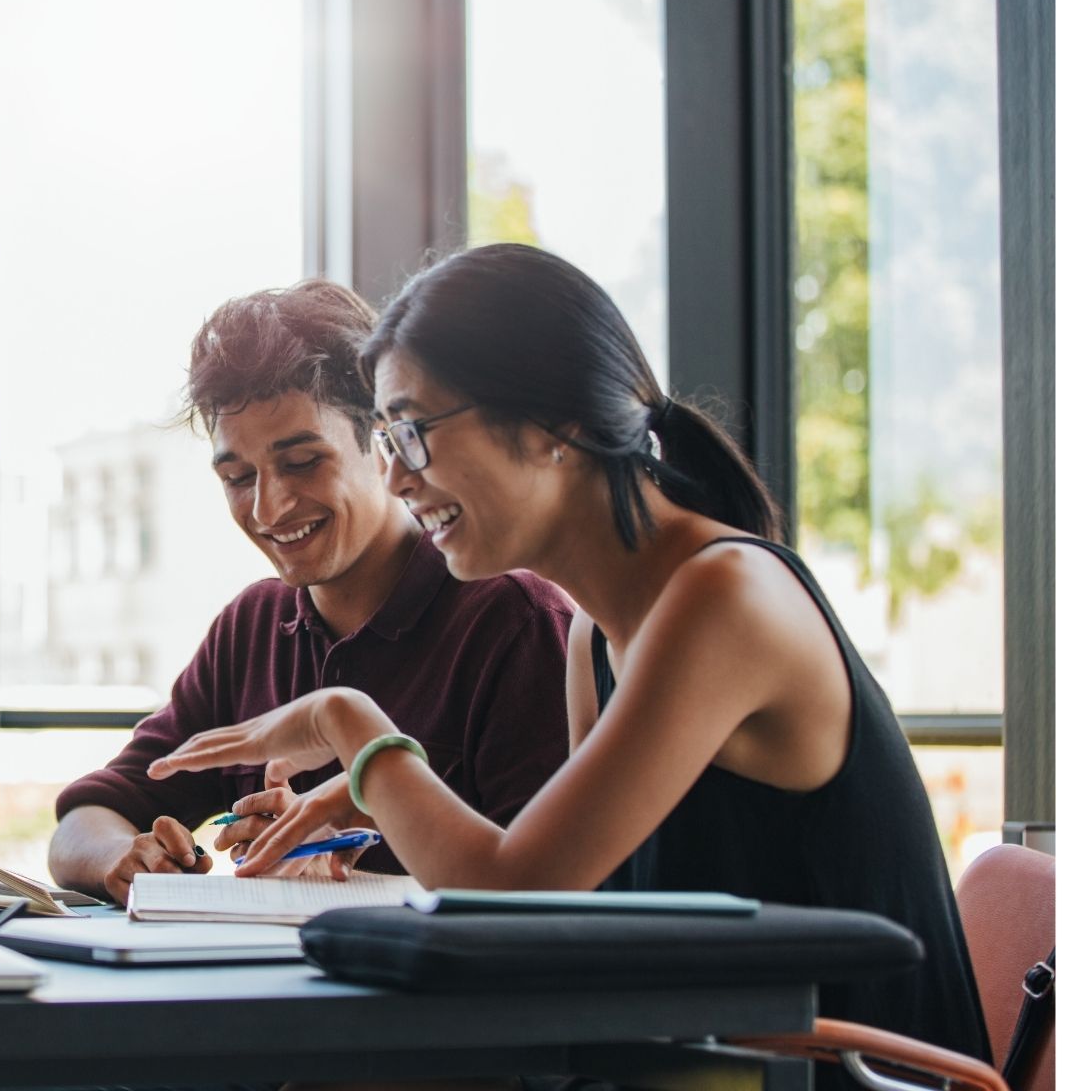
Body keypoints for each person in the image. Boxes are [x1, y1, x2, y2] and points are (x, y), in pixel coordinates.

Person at [150, 244, 990, 1061]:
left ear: (555, 424)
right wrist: (369, 804)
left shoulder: (723, 598)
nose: (399, 479)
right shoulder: (598, 629)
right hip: (713, 1060)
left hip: (836, 1072)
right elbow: (569, 908)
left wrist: (350, 726)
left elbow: (513, 893)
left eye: (413, 433)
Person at [49, 279, 572, 905]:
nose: (268, 507)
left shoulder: (513, 621)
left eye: (301, 463)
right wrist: (124, 858)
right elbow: (86, 818)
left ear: (383, 443)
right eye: (238, 478)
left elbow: (544, 890)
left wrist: (355, 836)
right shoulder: (252, 627)